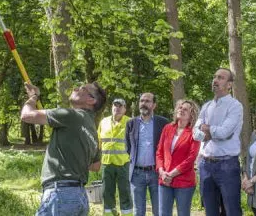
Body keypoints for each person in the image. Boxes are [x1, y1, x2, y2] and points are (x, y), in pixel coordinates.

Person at [21, 82, 106, 216]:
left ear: (91, 100)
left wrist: (33, 97)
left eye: (82, 88)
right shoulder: (93, 132)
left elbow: (26, 115)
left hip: (60, 195)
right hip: (80, 198)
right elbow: (95, 166)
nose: (76, 88)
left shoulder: (71, 115)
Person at [193, 68, 244, 216]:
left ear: (229, 85)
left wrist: (207, 130)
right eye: (214, 77)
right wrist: (210, 133)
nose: (215, 80)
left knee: (232, 210)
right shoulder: (206, 106)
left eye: (220, 78)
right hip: (205, 165)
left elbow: (224, 132)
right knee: (210, 210)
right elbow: (196, 134)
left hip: (227, 165)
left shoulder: (235, 106)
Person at [126, 92, 169, 216]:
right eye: (142, 101)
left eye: (147, 101)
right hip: (136, 174)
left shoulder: (163, 123)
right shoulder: (131, 123)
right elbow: (129, 147)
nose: (143, 104)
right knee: (138, 211)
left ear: (154, 105)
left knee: (159, 210)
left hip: (156, 172)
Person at [156, 99, 201, 216]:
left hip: (184, 182)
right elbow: (159, 152)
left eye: (185, 109)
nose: (181, 110)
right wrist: (162, 172)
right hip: (164, 180)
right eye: (180, 107)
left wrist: (171, 174)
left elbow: (191, 158)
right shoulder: (167, 128)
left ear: (192, 115)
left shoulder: (194, 132)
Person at [98, 98, 132, 216]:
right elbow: (99, 142)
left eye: (120, 106)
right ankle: (109, 213)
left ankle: (127, 214)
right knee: (106, 192)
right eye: (115, 105)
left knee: (125, 192)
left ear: (124, 109)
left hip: (124, 163)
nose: (117, 108)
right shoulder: (104, 122)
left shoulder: (130, 122)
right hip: (107, 163)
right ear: (111, 107)